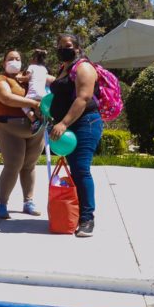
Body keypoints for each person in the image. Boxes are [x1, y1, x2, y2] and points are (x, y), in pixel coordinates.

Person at [49, 34, 103, 238]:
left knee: (81, 169)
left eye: (68, 46)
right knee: (75, 170)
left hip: (85, 123)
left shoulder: (84, 67)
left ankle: (88, 218)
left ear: (78, 48)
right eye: (60, 46)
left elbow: (84, 97)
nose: (64, 49)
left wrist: (63, 123)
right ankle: (76, 213)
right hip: (70, 126)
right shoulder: (65, 69)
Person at [0, 50, 44, 219]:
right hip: (9, 128)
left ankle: (28, 201)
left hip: (36, 128)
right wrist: (35, 103)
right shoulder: (0, 79)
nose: (14, 61)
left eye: (18, 59)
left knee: (30, 166)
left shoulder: (30, 78)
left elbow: (47, 82)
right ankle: (2, 203)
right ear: (4, 62)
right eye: (11, 59)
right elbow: (7, 98)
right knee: (13, 165)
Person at [18, 49, 54, 134]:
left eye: (31, 58)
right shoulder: (44, 69)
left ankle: (34, 120)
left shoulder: (31, 67)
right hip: (43, 94)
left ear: (34, 59)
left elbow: (27, 78)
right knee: (42, 109)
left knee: (23, 105)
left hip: (33, 93)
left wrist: (18, 78)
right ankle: (49, 122)